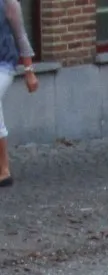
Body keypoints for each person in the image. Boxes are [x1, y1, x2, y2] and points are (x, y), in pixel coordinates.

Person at [0, 0, 39, 187]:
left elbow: (21, 36)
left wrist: (29, 72)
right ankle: (3, 170)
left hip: (4, 64)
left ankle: (4, 168)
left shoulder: (8, 3)